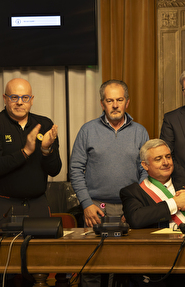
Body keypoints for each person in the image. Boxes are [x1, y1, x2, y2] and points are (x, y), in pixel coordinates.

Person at [70, 80, 149, 286]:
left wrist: (135, 207)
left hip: (129, 208)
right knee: (92, 270)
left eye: (119, 100)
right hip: (95, 209)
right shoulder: (87, 130)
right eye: (110, 100)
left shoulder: (140, 132)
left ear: (127, 102)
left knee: (128, 267)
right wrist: (86, 204)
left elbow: (145, 171)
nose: (115, 105)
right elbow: (75, 170)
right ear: (102, 103)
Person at [0, 78, 61, 229]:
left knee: (43, 252)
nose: (20, 102)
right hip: (2, 207)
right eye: (14, 97)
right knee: (3, 252)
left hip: (38, 205)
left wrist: (46, 150)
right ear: (4, 98)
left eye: (25, 98)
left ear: (31, 100)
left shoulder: (44, 124)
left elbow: (55, 170)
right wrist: (25, 152)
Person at [120, 139, 185, 229]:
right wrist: (175, 203)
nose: (166, 162)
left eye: (168, 157)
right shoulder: (133, 192)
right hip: (159, 241)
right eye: (158, 159)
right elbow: (135, 219)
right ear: (145, 165)